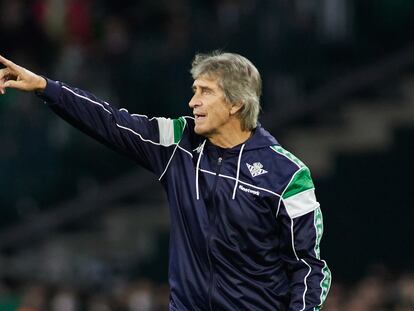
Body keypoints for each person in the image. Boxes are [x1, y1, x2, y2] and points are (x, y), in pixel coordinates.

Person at [0, 52, 331, 310]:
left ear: (235, 104)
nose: (193, 102)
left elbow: (309, 269)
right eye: (194, 90)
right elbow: (110, 122)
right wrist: (46, 87)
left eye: (205, 92)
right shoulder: (178, 142)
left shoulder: (288, 175)